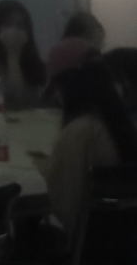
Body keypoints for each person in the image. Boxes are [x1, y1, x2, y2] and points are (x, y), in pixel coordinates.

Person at [32, 62, 137, 239]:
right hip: (125, 241)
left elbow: (66, 204)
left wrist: (50, 168)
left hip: (87, 241)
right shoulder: (124, 128)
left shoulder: (79, 132)